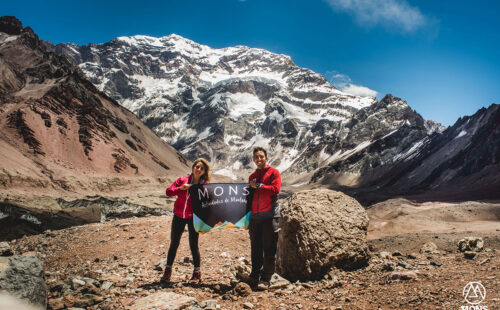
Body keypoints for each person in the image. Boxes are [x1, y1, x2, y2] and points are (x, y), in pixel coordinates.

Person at [160, 158, 210, 284]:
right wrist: (181, 189)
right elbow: (169, 192)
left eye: (201, 168)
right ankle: (168, 270)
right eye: (196, 166)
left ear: (204, 172)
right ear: (192, 167)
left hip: (193, 218)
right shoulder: (182, 180)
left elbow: (208, 201)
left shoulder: (204, 186)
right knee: (174, 243)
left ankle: (196, 272)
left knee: (194, 244)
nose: (198, 169)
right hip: (178, 216)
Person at [247, 147, 281, 289]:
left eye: (261, 156)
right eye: (256, 157)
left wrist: (260, 186)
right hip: (255, 217)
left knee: (269, 248)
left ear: (266, 158)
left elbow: (275, 189)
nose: (259, 159)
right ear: (254, 160)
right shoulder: (252, 176)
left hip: (270, 216)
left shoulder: (274, 172)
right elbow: (248, 197)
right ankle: (255, 274)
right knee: (255, 248)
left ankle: (266, 278)